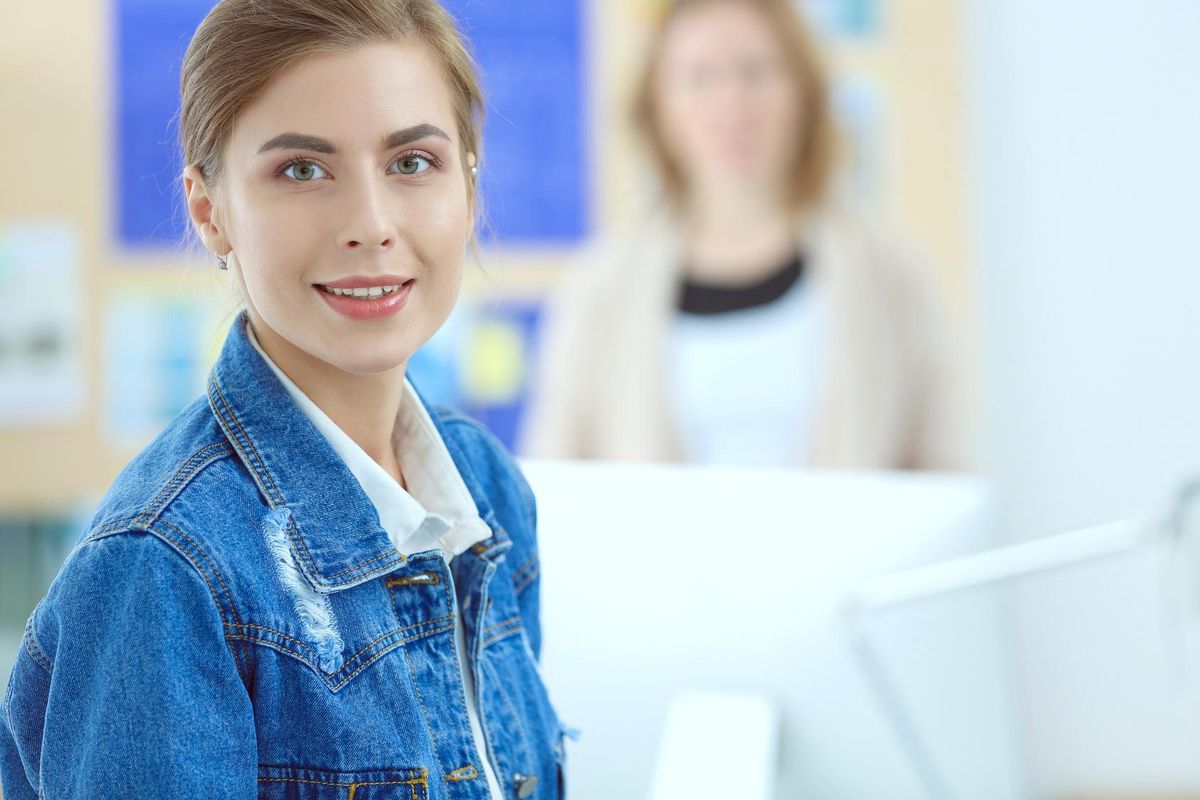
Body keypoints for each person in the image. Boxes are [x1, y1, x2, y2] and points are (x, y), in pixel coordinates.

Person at [0, 1, 566, 797]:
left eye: (411, 163)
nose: (370, 225)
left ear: (469, 186)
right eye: (302, 170)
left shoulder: (486, 486)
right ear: (211, 211)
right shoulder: (160, 568)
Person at [521, 0, 973, 471]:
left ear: (804, 92)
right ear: (657, 106)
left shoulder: (896, 278)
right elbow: (554, 490)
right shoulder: (600, 289)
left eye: (756, 71)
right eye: (699, 77)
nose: (731, 101)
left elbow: (950, 475)